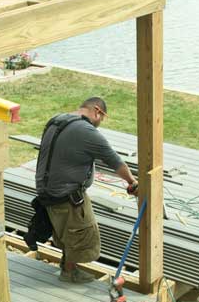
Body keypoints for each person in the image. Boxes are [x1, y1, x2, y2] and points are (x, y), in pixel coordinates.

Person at [34, 97, 137, 283]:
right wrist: (132, 182)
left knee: (66, 232)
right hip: (67, 196)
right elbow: (114, 161)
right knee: (81, 233)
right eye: (101, 118)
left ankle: (66, 266)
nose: (99, 124)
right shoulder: (86, 130)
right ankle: (69, 272)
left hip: (46, 193)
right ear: (97, 110)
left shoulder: (57, 120)